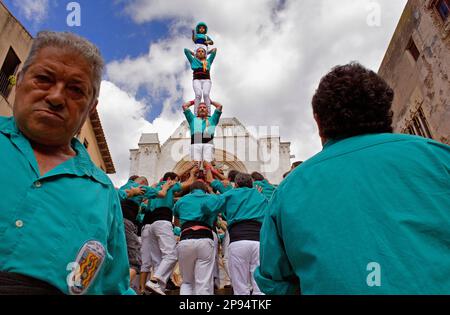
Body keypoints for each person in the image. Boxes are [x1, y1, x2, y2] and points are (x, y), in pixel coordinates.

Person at [254, 62, 450, 294]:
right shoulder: (438, 157)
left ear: (318, 121)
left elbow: (273, 281)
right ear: (386, 108)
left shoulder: (287, 192)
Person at [0, 31, 134, 295]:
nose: (56, 97)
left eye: (75, 90)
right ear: (20, 80)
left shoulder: (103, 192)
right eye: (43, 79)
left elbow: (113, 286)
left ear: (90, 107)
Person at [142, 167, 197, 295]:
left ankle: (158, 289)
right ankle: (154, 281)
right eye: (176, 181)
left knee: (157, 260)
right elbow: (189, 183)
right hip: (163, 222)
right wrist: (193, 173)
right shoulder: (169, 185)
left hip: (152, 226)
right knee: (172, 255)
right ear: (170, 180)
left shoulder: (154, 189)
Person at [118, 176, 173, 287]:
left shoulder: (123, 187)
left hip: (114, 222)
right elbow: (162, 194)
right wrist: (166, 186)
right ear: (143, 183)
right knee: (135, 261)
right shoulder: (142, 188)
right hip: (127, 223)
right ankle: (121, 289)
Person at [218, 172, 268, 295]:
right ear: (251, 184)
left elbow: (209, 206)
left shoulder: (230, 194)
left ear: (235, 184)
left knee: (240, 287)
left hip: (238, 242)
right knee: (259, 287)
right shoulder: (261, 196)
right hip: (258, 243)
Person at [173, 181, 224, 295]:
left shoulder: (182, 200)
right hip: (205, 239)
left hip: (185, 239)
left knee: (186, 282)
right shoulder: (211, 199)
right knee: (203, 283)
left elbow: (176, 220)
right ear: (205, 189)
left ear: (191, 190)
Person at [182, 100, 223, 166]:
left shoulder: (212, 119)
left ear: (207, 110)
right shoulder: (192, 119)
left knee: (208, 165)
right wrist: (194, 101)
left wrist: (210, 102)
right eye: (200, 107)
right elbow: (184, 106)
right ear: (197, 111)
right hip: (195, 143)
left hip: (208, 144)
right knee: (195, 165)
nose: (202, 108)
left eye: (204, 107)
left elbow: (219, 106)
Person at [184, 46, 217, 115]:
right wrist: (194, 54)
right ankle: (196, 114)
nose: (201, 52)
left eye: (202, 51)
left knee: (206, 94)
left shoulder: (208, 61)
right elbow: (186, 50)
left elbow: (214, 50)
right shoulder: (193, 60)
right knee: (198, 95)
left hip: (206, 80)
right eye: (199, 51)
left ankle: (208, 114)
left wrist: (207, 53)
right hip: (197, 80)